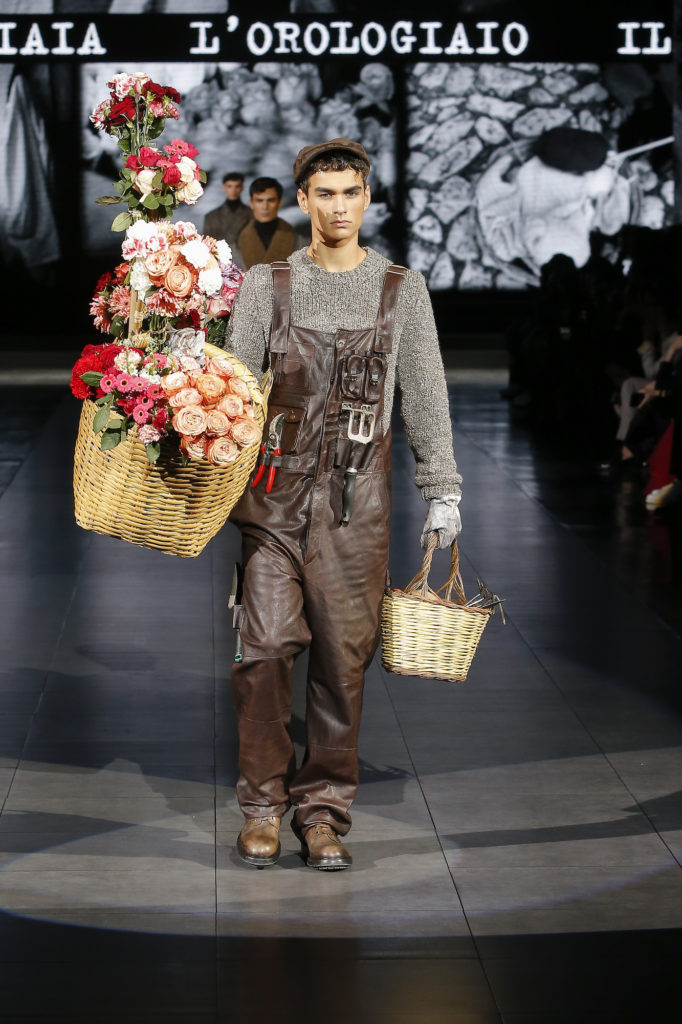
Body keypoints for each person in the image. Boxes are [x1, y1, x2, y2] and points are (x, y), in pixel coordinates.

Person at [225, 139, 462, 871]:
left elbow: (425, 391)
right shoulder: (266, 285)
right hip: (272, 497)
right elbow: (234, 388)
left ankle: (323, 812)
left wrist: (442, 488)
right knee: (263, 650)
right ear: (302, 200)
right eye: (323, 194)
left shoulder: (400, 288)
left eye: (349, 193)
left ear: (366, 199)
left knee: (342, 660)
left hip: (357, 505)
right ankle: (262, 806)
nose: (337, 207)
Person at [238, 176, 306, 269]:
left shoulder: (300, 242)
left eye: (270, 200)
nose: (265, 207)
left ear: (279, 203)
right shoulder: (236, 245)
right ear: (251, 203)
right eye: (259, 201)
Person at [203, 172, 252, 270]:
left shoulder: (251, 215)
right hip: (219, 268)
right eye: (230, 186)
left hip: (245, 266)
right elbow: (207, 248)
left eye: (237, 186)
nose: (233, 190)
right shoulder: (211, 217)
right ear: (224, 187)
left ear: (242, 188)